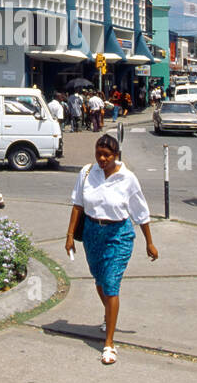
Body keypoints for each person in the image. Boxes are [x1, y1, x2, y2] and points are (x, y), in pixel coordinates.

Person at [65, 134, 157, 365]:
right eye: (99, 154)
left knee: (111, 283)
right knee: (99, 279)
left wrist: (149, 242)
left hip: (119, 234)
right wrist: (69, 237)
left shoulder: (128, 178)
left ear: (116, 155)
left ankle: (109, 343)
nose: (102, 159)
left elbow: (141, 212)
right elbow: (77, 205)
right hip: (92, 234)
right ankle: (110, 315)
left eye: (107, 155)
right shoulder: (87, 172)